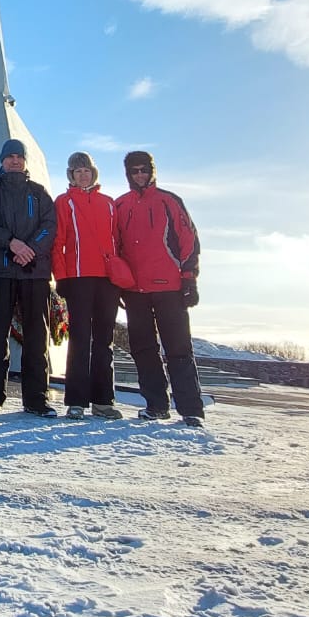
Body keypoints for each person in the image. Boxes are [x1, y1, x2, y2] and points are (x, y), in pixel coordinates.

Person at [116, 151, 205, 427]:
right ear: (128, 174)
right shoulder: (120, 205)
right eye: (134, 171)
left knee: (178, 348)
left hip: (170, 287)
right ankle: (156, 405)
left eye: (144, 170)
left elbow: (189, 240)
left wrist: (189, 278)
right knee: (143, 349)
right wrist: (120, 281)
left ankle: (191, 410)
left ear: (152, 171)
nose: (140, 175)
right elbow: (114, 247)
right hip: (135, 290)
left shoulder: (169, 201)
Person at [0, 138, 57, 417]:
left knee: (36, 336)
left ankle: (36, 399)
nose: (14, 161)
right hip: (0, 269)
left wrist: (29, 249)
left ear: (25, 160)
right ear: (1, 160)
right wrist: (12, 243)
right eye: (9, 156)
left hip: (34, 272)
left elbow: (49, 225)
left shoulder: (38, 193)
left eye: (19, 156)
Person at [52, 152, 124, 420]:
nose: (83, 175)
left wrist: (120, 277)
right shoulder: (64, 202)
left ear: (94, 174)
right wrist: (62, 277)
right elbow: (57, 241)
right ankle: (76, 401)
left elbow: (118, 240)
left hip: (106, 280)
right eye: (78, 171)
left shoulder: (108, 203)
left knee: (104, 341)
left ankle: (104, 400)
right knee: (80, 340)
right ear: (71, 175)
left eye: (87, 171)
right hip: (78, 277)